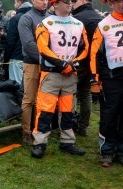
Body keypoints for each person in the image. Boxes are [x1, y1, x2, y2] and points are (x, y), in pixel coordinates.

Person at [31, 0, 89, 159]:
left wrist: (74, 63)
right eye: (65, 1)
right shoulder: (46, 23)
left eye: (71, 1)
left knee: (68, 111)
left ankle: (67, 142)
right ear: (55, 5)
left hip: (70, 74)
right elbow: (43, 48)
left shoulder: (79, 24)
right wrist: (62, 64)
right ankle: (40, 143)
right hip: (51, 73)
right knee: (45, 110)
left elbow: (85, 48)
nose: (69, 3)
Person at [90, 0, 123, 167]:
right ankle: (107, 151)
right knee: (109, 115)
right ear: (111, 3)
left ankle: (121, 150)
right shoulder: (103, 25)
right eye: (119, 1)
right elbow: (94, 53)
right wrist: (95, 80)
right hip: (111, 77)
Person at [18, 0, 49, 145]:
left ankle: (39, 128)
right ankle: (26, 131)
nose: (44, 2)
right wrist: (47, 59)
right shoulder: (27, 18)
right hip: (32, 63)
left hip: (49, 64)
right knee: (29, 99)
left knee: (42, 99)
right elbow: (28, 43)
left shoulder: (50, 17)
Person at [71, 0, 102, 136]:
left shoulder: (77, 19)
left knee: (70, 94)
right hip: (93, 63)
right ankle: (83, 127)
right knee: (86, 95)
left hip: (79, 62)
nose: (72, 3)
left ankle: (69, 126)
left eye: (74, 1)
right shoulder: (99, 17)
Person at [4, 0, 32, 86]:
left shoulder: (15, 18)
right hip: (33, 58)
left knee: (15, 86)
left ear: (18, 2)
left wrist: (6, 58)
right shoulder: (36, 16)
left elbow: (10, 41)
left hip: (17, 57)